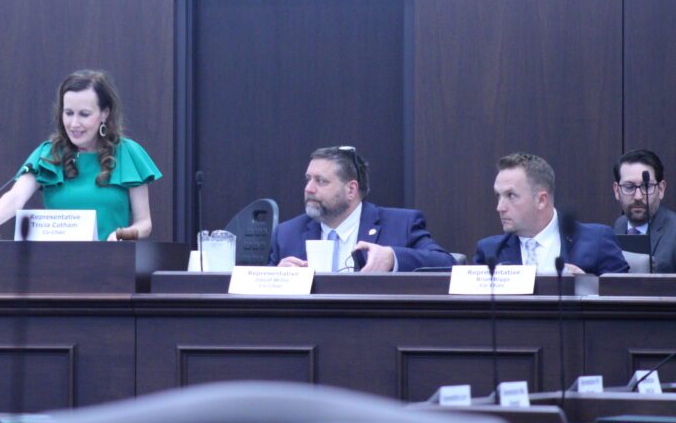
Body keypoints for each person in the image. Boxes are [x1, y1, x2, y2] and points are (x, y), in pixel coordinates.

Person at [0, 69, 161, 241]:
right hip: (54, 269)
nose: (74, 123)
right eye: (68, 113)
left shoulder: (128, 153)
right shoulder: (48, 153)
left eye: (84, 114)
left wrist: (123, 234)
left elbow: (144, 223)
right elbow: (16, 196)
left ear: (105, 114)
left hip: (110, 267)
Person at [269, 146, 454, 272]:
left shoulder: (400, 225)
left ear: (351, 190)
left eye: (321, 181)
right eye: (308, 179)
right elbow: (257, 291)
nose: (308, 188)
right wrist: (278, 279)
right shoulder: (286, 234)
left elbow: (448, 265)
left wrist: (392, 258)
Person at [474, 152, 628, 275]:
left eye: (511, 195)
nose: (500, 207)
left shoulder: (597, 241)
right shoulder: (490, 252)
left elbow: (625, 301)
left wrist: (586, 285)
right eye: (498, 196)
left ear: (541, 200)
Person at [611, 149, 676, 273]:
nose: (638, 196)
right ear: (616, 191)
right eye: (629, 187)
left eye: (646, 186)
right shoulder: (618, 226)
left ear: (661, 189)